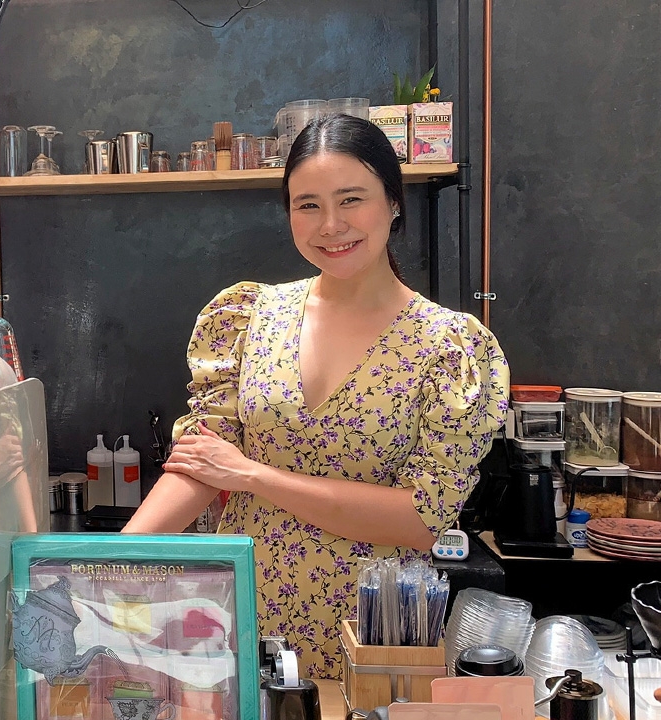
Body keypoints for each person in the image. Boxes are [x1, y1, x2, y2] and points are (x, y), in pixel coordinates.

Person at [122, 114, 509, 678]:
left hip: (371, 634)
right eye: (308, 205)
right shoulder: (250, 317)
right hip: (245, 619)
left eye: (351, 199)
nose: (331, 225)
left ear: (393, 202)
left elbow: (421, 519)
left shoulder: (447, 346)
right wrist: (104, 561)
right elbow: (203, 462)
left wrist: (252, 476)